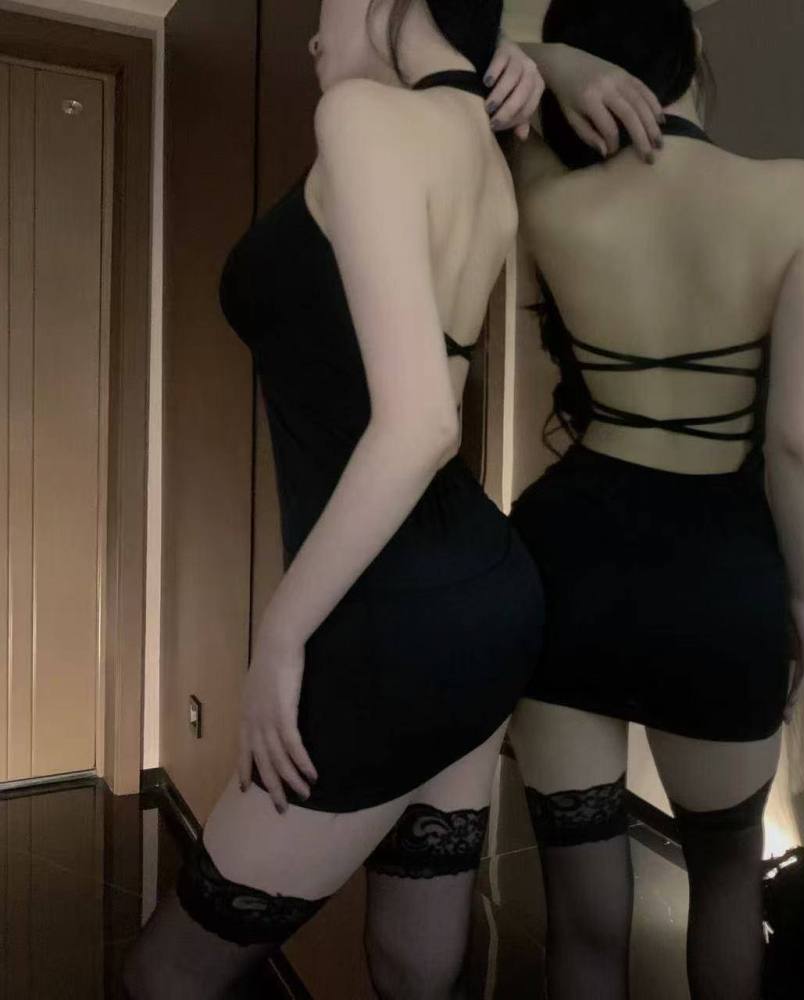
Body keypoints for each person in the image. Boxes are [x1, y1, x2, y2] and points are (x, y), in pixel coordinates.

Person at [123, 2, 547, 997]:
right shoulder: (482, 151)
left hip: (386, 615)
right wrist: (516, 55)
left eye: (332, 8)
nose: (316, 38)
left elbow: (421, 424)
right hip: (489, 595)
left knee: (163, 978)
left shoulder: (360, 120)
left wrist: (281, 634)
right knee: (414, 961)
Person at [502, 2, 804, 998]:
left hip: (569, 563)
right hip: (719, 572)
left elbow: (460, 71)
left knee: (581, 924)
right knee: (727, 876)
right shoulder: (800, 195)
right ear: (694, 49)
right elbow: (793, 442)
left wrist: (546, 59)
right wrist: (801, 600)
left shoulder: (546, 189)